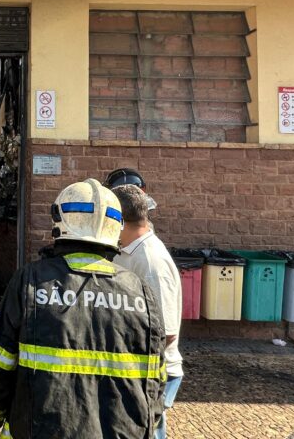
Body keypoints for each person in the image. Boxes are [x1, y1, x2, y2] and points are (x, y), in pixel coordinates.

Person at [0, 178, 166, 438]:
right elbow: (156, 380)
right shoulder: (141, 292)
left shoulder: (30, 282)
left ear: (59, 223)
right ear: (116, 227)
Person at [112, 184, 183, 439]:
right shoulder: (128, 251)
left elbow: (167, 332)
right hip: (138, 370)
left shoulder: (151, 261)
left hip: (154, 372)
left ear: (119, 220)